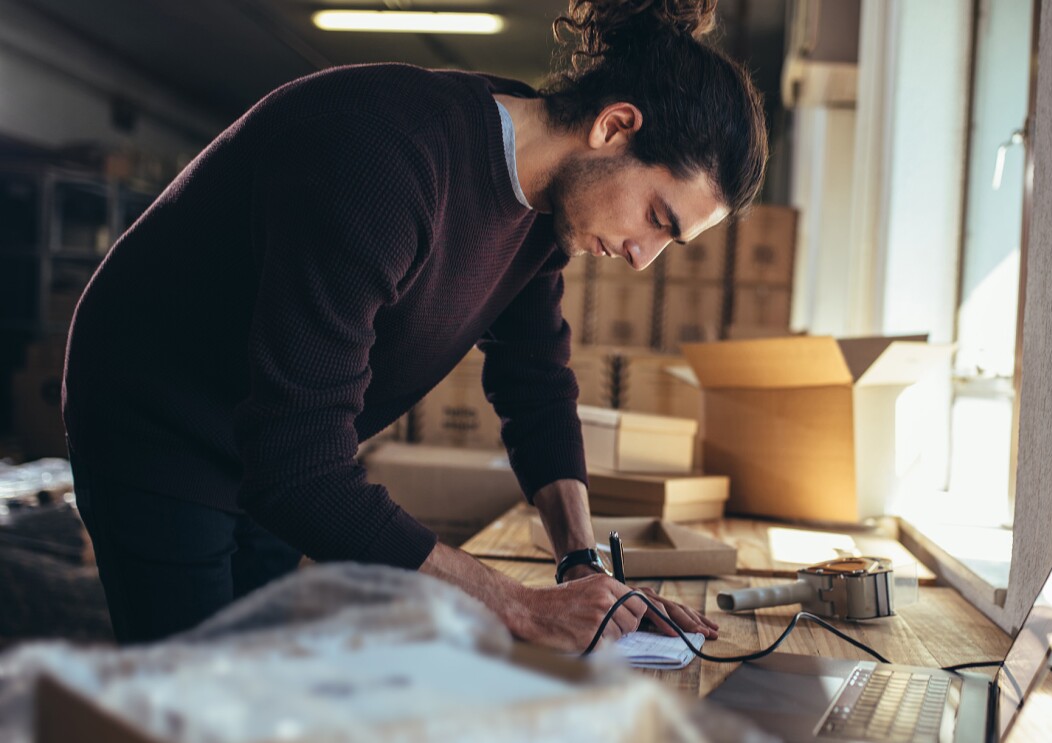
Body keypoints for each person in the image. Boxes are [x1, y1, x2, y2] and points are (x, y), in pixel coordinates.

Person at [62, 0, 768, 649]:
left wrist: (582, 567)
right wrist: (516, 604)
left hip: (268, 435)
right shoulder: (387, 161)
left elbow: (536, 383)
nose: (644, 260)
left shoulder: (548, 203)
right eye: (657, 219)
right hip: (155, 417)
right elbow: (300, 469)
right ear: (614, 127)